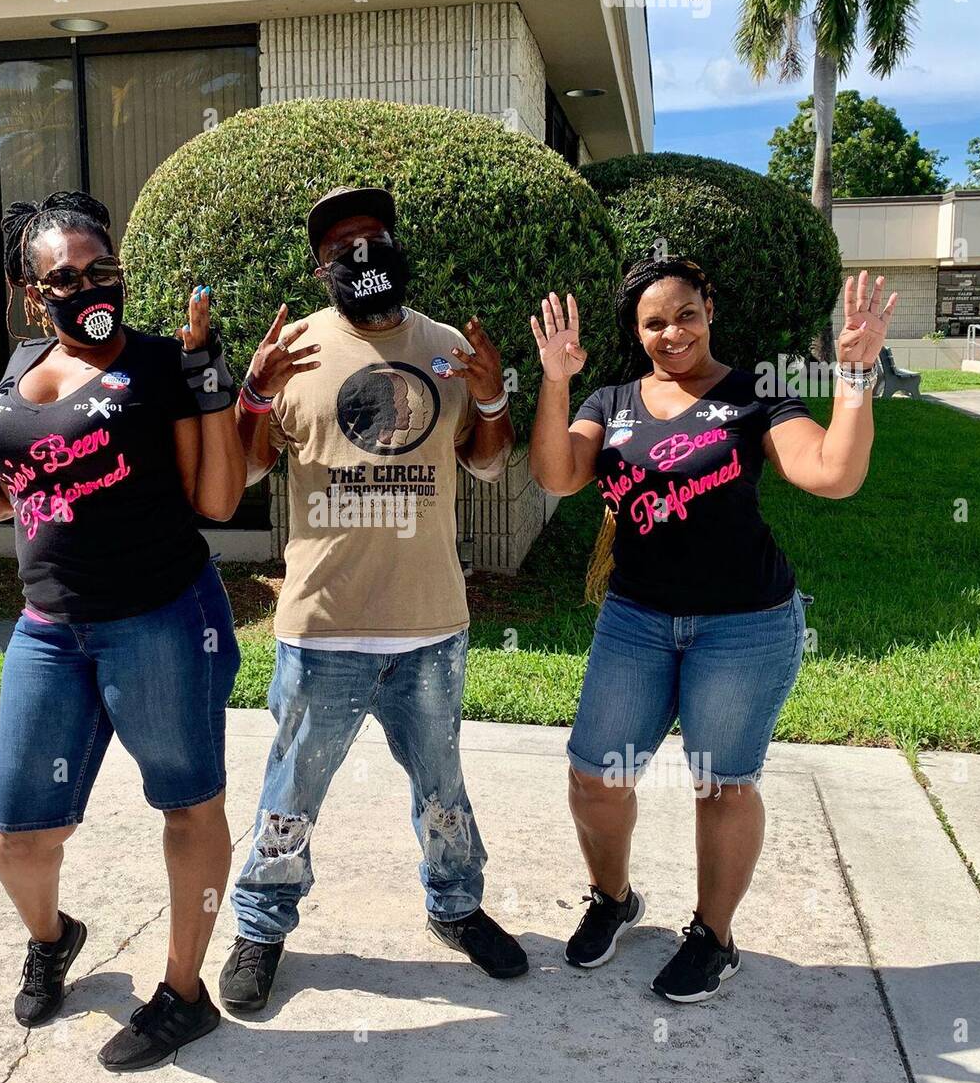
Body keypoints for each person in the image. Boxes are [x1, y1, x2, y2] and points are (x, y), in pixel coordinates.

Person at [0, 190, 245, 1069]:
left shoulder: (157, 363)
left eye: (102, 269)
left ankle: (184, 992)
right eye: (64, 276)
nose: (88, 286)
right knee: (18, 834)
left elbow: (216, 499)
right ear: (34, 293)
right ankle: (54, 934)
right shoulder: (19, 367)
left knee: (189, 803)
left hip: (160, 620)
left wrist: (210, 373)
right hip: (48, 629)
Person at [528, 257, 896, 1002]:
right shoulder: (613, 399)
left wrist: (855, 380)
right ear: (636, 331)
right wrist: (557, 380)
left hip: (745, 624)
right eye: (654, 321)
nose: (672, 332)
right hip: (636, 617)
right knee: (596, 777)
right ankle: (614, 898)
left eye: (686, 314)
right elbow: (558, 475)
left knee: (722, 785)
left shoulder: (754, 391)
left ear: (710, 311)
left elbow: (831, 473)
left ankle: (713, 936)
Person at [218, 185, 528, 1013]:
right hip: (324, 626)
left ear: (395, 243)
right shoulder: (296, 351)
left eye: (373, 236)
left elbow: (489, 464)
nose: (360, 253)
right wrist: (252, 393)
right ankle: (261, 922)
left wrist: (493, 398)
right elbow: (249, 468)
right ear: (322, 267)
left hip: (429, 625)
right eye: (340, 245)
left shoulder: (446, 347)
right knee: (290, 790)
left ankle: (457, 906)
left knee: (442, 786)